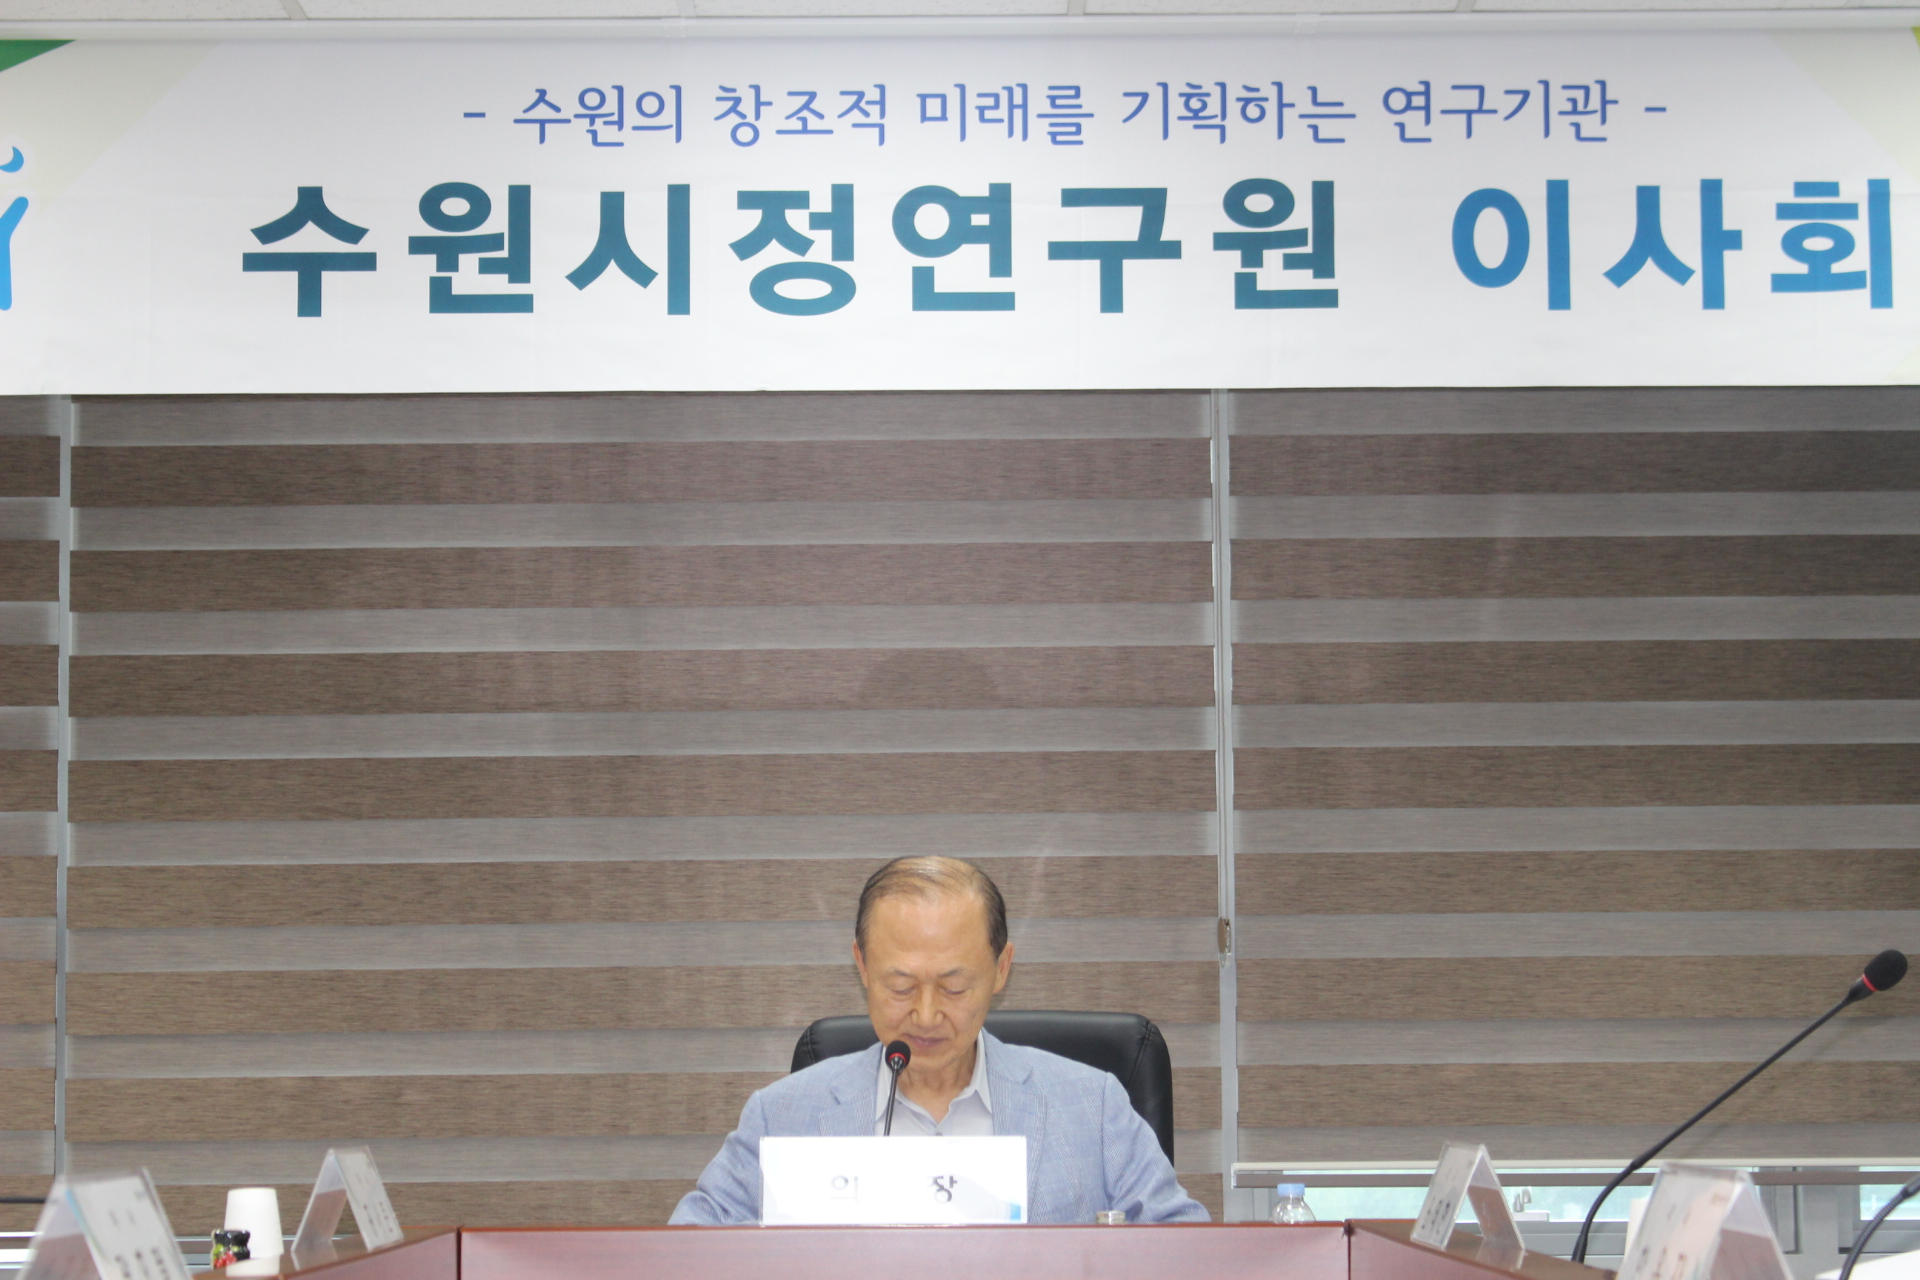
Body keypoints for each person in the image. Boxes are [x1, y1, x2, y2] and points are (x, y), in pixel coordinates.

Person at [670, 855, 1208, 1225]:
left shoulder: (1093, 1107)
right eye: (900, 986)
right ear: (862, 965)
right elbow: (685, 1255)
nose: (925, 1016)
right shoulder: (781, 1117)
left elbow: (1189, 1253)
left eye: (953, 987)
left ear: (1002, 968)